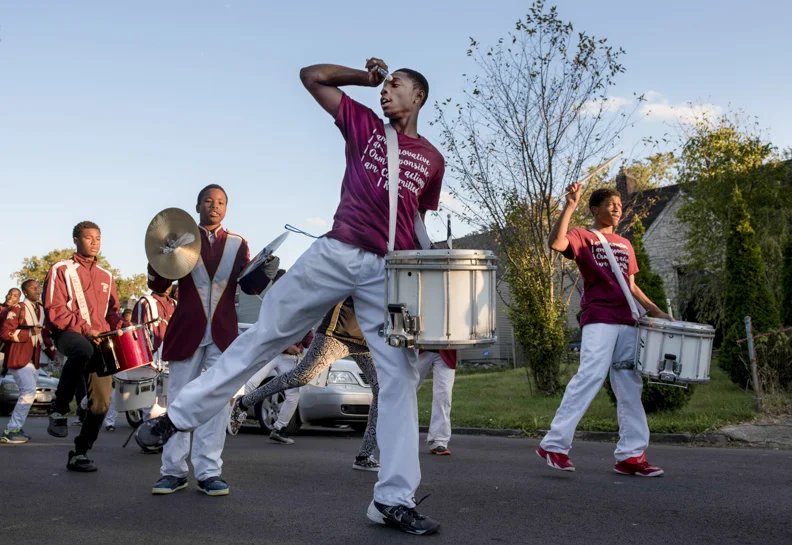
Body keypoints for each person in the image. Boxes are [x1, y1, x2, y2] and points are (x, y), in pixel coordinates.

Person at [137, 58, 444, 535]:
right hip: (338, 251)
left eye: (394, 85)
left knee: (399, 378)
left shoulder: (433, 159)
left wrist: (432, 275)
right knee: (266, 335)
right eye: (382, 86)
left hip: (388, 270)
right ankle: (176, 418)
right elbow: (311, 76)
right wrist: (362, 79)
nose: (386, 91)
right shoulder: (364, 124)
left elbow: (419, 221)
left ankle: (393, 498)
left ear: (418, 96)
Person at [146, 184, 279, 497]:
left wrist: (266, 272)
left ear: (226, 208)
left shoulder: (237, 243)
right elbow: (159, 283)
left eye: (220, 202)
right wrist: (161, 253)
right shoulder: (180, 238)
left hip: (223, 331)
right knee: (178, 400)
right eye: (208, 200)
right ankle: (173, 471)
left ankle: (208, 471)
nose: (214, 206)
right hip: (186, 329)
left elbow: (248, 286)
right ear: (197, 206)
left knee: (217, 401)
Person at [537, 184, 671, 477]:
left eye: (620, 205)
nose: (617, 209)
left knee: (630, 386)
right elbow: (555, 243)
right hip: (599, 318)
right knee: (590, 375)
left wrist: (657, 312)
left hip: (628, 321)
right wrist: (570, 206)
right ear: (595, 209)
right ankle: (554, 444)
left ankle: (631, 456)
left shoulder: (625, 243)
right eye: (611, 204)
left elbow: (632, 286)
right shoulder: (583, 237)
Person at [229, 297, 381, 471]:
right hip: (335, 335)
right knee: (301, 377)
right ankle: (243, 403)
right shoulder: (362, 272)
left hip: (364, 341)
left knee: (381, 390)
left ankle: (364, 456)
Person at [43, 221, 124, 471]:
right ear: (76, 240)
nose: (94, 242)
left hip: (98, 340)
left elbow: (112, 314)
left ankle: (79, 453)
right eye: (88, 237)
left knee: (101, 404)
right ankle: (59, 408)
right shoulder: (61, 269)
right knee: (81, 349)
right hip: (68, 333)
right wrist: (85, 327)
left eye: (98, 237)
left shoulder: (107, 276)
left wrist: (121, 325)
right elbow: (54, 310)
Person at [0, 280, 57, 443]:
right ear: (25, 292)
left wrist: (53, 354)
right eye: (32, 288)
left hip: (33, 361)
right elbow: (4, 333)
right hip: (18, 358)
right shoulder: (18, 308)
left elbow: (43, 337)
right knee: (28, 393)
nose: (37, 290)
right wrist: (29, 332)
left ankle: (15, 428)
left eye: (38, 287)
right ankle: (10, 430)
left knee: (28, 393)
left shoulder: (40, 310)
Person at [132, 285, 177, 420]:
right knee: (151, 405)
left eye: (169, 282)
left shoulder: (174, 303)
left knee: (170, 402)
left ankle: (166, 436)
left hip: (171, 359)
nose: (167, 286)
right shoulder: (145, 302)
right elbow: (137, 332)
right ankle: (151, 434)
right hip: (152, 359)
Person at [416, 350, 456, 456]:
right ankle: (394, 434)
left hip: (446, 349)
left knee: (444, 395)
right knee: (405, 391)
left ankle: (439, 440)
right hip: (419, 346)